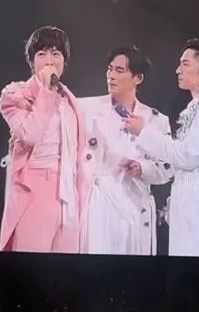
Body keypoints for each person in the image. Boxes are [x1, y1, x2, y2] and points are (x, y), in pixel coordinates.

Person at [123, 39, 199, 257]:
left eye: (185, 64)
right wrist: (145, 169)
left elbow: (187, 156)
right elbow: (181, 162)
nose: (178, 70)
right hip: (196, 215)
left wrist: (144, 131)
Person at [0, 26, 86, 253]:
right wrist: (45, 92)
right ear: (32, 61)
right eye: (42, 54)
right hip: (33, 194)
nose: (49, 61)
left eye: (56, 54)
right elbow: (30, 134)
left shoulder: (70, 101)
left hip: (68, 198)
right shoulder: (16, 95)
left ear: (65, 60)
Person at [78, 46, 174, 255]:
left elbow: (167, 168)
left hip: (135, 206)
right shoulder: (86, 108)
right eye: (110, 69)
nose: (111, 75)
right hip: (98, 205)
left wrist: (142, 168)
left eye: (119, 70)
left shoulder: (155, 120)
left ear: (138, 78)